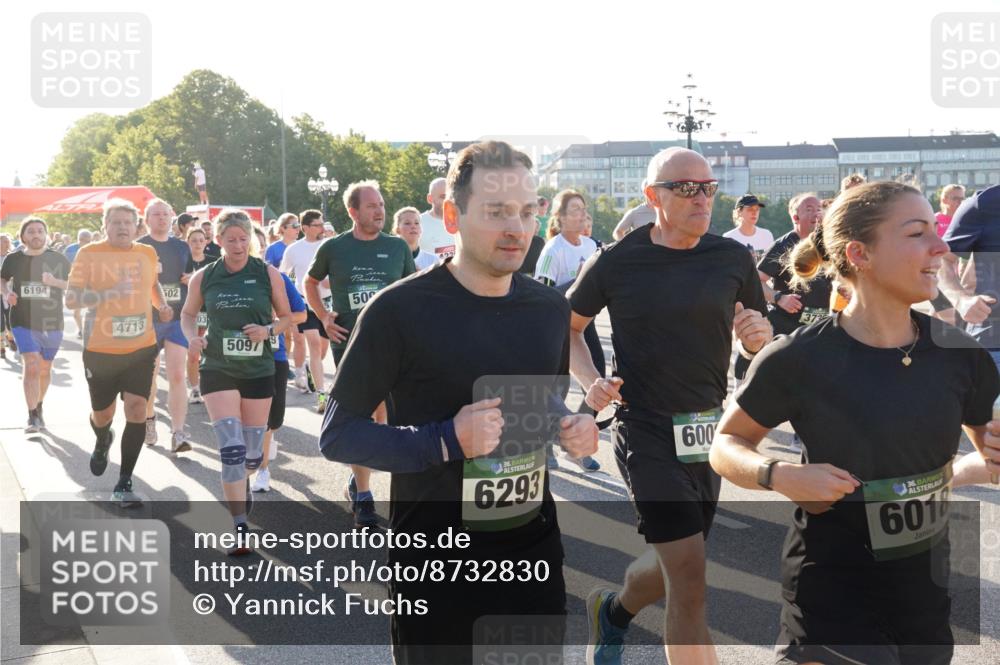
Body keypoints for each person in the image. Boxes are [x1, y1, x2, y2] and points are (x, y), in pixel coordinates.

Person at [319, 140, 597, 663]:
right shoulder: (397, 311)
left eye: (527, 212)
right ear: (452, 216)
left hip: (531, 552)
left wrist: (570, 426)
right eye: (496, 212)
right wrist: (446, 439)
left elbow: (544, 401)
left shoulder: (548, 309)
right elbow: (338, 434)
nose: (516, 228)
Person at [711, 180, 1000, 664]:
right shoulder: (798, 357)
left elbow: (989, 456)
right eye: (917, 233)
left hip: (923, 599)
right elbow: (726, 443)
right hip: (830, 598)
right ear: (859, 254)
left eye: (936, 231)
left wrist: (990, 460)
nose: (941, 247)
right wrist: (779, 474)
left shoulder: (960, 356)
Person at [569, 148, 771, 665]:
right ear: (652, 196)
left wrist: (757, 341)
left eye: (708, 187)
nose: (701, 198)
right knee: (690, 579)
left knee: (675, 562)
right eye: (685, 188)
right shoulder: (617, 260)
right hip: (645, 429)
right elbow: (568, 328)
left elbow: (758, 334)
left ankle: (613, 611)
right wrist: (592, 382)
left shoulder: (732, 258)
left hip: (709, 432)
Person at [181, 210, 292, 553]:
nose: (239, 245)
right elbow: (187, 314)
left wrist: (268, 330)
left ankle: (245, 481)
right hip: (218, 367)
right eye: (231, 240)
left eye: (244, 239)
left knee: (252, 456)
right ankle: (239, 526)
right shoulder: (205, 276)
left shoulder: (267, 273)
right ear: (218, 240)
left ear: (252, 239)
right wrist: (192, 338)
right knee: (231, 450)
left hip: (258, 369)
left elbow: (287, 317)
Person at [306, 180, 415, 526]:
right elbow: (310, 281)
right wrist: (324, 317)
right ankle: (365, 498)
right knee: (360, 417)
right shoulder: (334, 248)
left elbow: (412, 291)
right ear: (353, 212)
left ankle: (359, 480)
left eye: (381, 204)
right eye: (371, 206)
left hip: (393, 346)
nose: (379, 211)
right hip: (350, 345)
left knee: (386, 418)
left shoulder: (397, 247)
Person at [66, 198, 171, 507]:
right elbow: (72, 299)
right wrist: (109, 293)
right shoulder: (89, 254)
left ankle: (124, 482)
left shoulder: (147, 253)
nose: (123, 227)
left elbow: (153, 285)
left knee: (137, 409)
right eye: (116, 222)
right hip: (101, 350)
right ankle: (103, 439)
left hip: (141, 348)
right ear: (105, 226)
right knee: (104, 415)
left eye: (128, 222)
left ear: (136, 226)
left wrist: (162, 305)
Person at [535, 189, 602, 472]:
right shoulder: (553, 250)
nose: (582, 214)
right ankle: (546, 445)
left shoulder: (592, 247)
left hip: (585, 324)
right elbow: (542, 294)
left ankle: (576, 445)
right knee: (555, 389)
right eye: (574, 209)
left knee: (597, 383)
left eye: (583, 208)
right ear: (559, 218)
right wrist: (577, 285)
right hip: (556, 326)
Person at [250, 226, 307, 492]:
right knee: (249, 419)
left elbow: (301, 314)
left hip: (274, 354)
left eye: (258, 245)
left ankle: (263, 457)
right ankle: (260, 468)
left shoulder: (278, 278)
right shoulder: (223, 278)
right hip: (237, 358)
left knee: (271, 419)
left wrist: (275, 322)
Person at [1, 217, 71, 432]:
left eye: (40, 231)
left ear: (46, 234)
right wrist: (7, 292)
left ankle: (39, 405)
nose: (36, 235)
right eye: (31, 231)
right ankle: (32, 415)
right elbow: (2, 279)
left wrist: (54, 282)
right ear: (23, 236)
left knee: (44, 367)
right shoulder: (13, 259)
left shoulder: (57, 258)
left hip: (52, 321)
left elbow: (73, 285)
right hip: (22, 319)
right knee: (31, 364)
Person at [138, 199, 194, 454]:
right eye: (156, 214)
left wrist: (192, 278)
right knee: (149, 375)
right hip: (147, 318)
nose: (162, 218)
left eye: (165, 214)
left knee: (177, 374)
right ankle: (149, 418)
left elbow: (193, 274)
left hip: (177, 318)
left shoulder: (182, 246)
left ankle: (178, 432)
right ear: (147, 219)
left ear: (172, 218)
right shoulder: (139, 247)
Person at [279, 209, 330, 404]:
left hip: (327, 303)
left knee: (322, 350)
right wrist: (289, 297)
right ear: (305, 227)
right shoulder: (294, 249)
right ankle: (321, 395)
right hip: (305, 302)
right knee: (314, 345)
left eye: (322, 223)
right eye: (317, 225)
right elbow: (282, 274)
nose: (322, 228)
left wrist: (331, 281)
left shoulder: (329, 245)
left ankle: (310, 368)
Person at [183, 227, 214, 403]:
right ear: (188, 242)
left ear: (206, 242)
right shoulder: (183, 262)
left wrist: (194, 279)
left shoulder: (213, 262)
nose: (198, 244)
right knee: (193, 352)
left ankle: (212, 387)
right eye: (194, 240)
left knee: (211, 352)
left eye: (201, 240)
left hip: (210, 312)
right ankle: (195, 389)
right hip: (190, 313)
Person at [722, 194, 773, 261]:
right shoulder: (728, 238)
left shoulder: (767, 235)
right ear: (739, 212)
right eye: (750, 209)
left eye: (757, 209)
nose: (754, 213)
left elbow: (771, 264)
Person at [64, 229, 93, 337]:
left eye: (88, 240)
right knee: (76, 312)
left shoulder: (94, 249)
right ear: (78, 239)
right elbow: (65, 266)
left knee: (92, 309)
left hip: (91, 283)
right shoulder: (70, 249)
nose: (84, 242)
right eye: (82, 240)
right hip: (76, 283)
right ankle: (81, 330)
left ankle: (89, 330)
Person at [418, 177, 456, 258]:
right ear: (430, 199)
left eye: (450, 196)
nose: (448, 201)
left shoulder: (462, 222)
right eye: (443, 197)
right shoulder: (416, 223)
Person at [0, 233, 12, 359]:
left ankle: (10, 337)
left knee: (10, 318)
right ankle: (1, 347)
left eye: (7, 241)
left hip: (9, 292)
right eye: (3, 241)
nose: (6, 243)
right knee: (0, 321)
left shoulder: (12, 257)